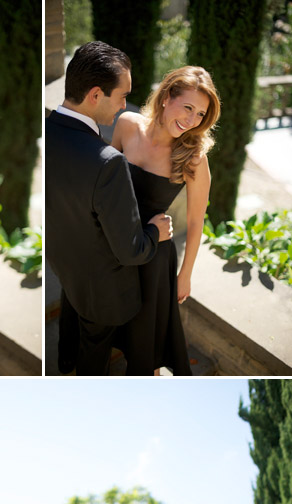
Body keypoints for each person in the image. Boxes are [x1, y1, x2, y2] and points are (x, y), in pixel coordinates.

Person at [45, 40, 173, 376]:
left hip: (66, 268)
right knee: (94, 354)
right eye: (122, 95)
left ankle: (64, 363)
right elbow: (132, 251)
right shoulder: (107, 162)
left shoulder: (45, 132)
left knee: (71, 336)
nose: (125, 105)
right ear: (96, 95)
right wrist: (155, 232)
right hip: (102, 290)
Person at [112, 65, 221, 375]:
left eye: (200, 114)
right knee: (108, 328)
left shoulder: (194, 157)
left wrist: (184, 276)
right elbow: (102, 186)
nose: (191, 120)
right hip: (116, 244)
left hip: (154, 259)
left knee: (145, 346)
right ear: (165, 97)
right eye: (187, 107)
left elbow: (197, 221)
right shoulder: (127, 125)